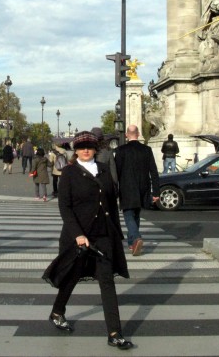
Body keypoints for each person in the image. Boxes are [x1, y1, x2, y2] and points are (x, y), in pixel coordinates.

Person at [43, 130, 133, 350]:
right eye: (81, 147)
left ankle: (114, 333)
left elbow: (111, 204)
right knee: (71, 277)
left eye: (89, 147)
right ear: (76, 150)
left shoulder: (103, 170)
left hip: (102, 234)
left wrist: (117, 232)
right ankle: (57, 311)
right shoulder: (69, 173)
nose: (85, 150)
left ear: (95, 149)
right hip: (78, 236)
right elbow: (65, 207)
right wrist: (78, 234)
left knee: (107, 281)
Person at [114, 125, 160, 256]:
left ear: (127, 135)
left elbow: (116, 172)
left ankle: (136, 238)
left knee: (128, 214)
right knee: (136, 214)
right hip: (142, 187)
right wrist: (156, 192)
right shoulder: (147, 149)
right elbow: (154, 171)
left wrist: (115, 190)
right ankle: (131, 243)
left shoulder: (121, 150)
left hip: (126, 187)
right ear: (138, 134)